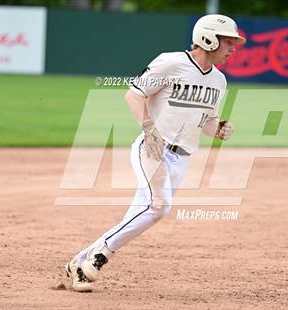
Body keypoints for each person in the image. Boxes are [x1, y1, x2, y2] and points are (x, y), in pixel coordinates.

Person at [65, 14, 246, 292]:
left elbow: (205, 121)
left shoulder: (219, 81)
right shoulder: (171, 62)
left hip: (182, 159)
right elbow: (134, 94)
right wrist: (149, 128)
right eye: (228, 41)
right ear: (209, 38)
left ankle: (78, 262)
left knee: (138, 215)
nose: (233, 48)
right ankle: (99, 256)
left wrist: (218, 127)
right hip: (152, 149)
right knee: (159, 206)